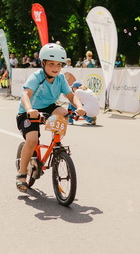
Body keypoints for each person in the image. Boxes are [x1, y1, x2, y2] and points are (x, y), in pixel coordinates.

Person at [15, 43, 86, 192]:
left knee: (63, 113)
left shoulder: (60, 79)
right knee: (32, 140)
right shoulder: (37, 77)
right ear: (43, 63)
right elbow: (25, 95)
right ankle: (21, 173)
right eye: (51, 64)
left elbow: (71, 96)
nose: (55, 68)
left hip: (48, 106)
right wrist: (29, 110)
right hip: (28, 110)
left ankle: (57, 143)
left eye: (59, 64)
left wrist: (79, 107)